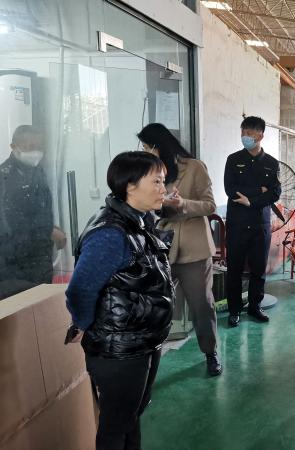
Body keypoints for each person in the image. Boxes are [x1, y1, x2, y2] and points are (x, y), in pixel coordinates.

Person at [65, 151, 174, 450]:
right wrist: (83, 324)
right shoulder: (111, 234)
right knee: (116, 426)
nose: (163, 189)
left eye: (163, 182)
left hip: (140, 341)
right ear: (130, 186)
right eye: (156, 182)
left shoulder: (138, 221)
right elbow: (80, 290)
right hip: (119, 350)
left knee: (130, 417)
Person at [138, 123, 221, 377]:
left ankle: (210, 352)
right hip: (164, 246)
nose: (145, 152)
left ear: (158, 146)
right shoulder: (150, 170)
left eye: (147, 147)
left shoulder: (194, 167)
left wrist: (182, 203)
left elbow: (209, 205)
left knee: (202, 305)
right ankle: (148, 360)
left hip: (194, 249)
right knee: (155, 305)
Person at [224, 116, 281, 327]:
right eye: (243, 133)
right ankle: (234, 310)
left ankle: (255, 307)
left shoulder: (271, 163)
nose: (245, 137)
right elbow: (230, 189)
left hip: (260, 224)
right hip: (237, 224)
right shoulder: (233, 159)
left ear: (260, 136)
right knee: (234, 269)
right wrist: (259, 190)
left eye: (249, 133)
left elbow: (275, 193)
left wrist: (251, 201)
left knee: (258, 269)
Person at [0, 125, 66, 299]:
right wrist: (46, 230)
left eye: (39, 147)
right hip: (15, 263)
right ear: (14, 147)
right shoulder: (4, 177)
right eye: (30, 147)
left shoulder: (37, 171)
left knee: (42, 304)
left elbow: (39, 209)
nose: (36, 152)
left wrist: (51, 227)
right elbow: (9, 223)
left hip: (40, 257)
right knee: (21, 307)